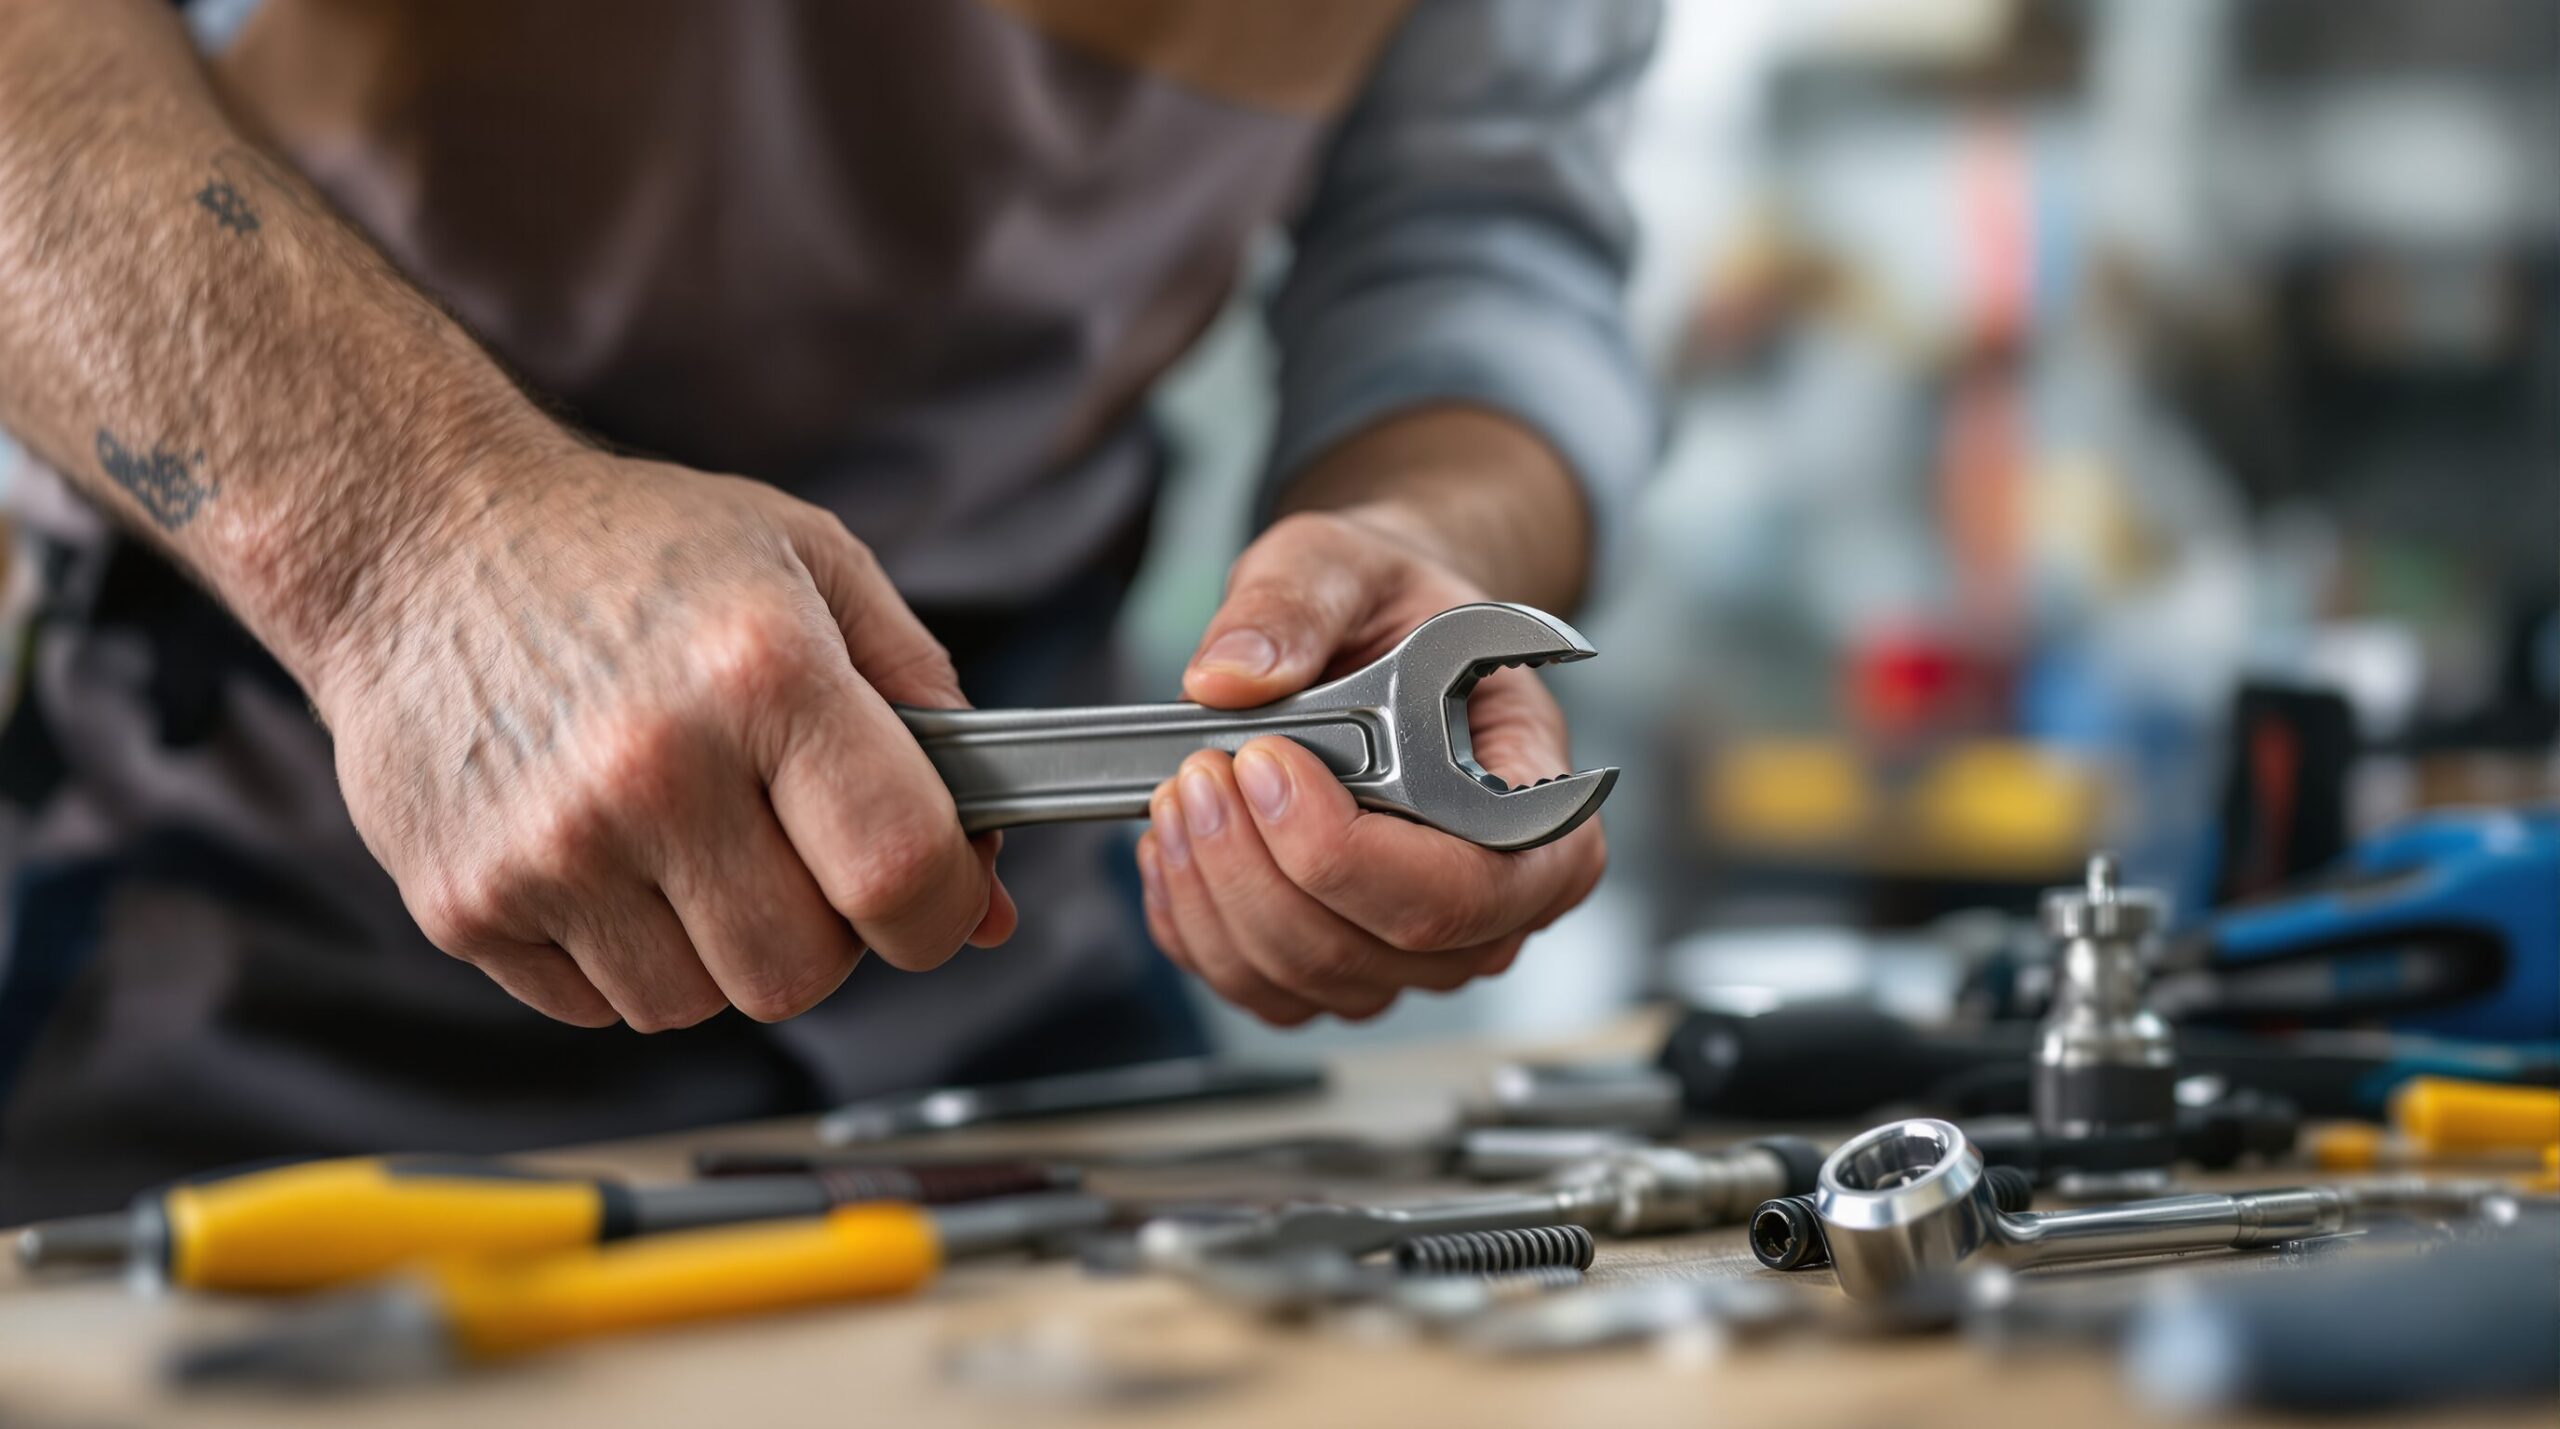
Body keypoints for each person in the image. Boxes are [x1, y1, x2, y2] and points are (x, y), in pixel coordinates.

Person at [0, 0, 1658, 1219]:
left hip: (1019, 961)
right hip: (210, 874)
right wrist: (411, 552)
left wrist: (1424, 533)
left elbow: (1479, 238)